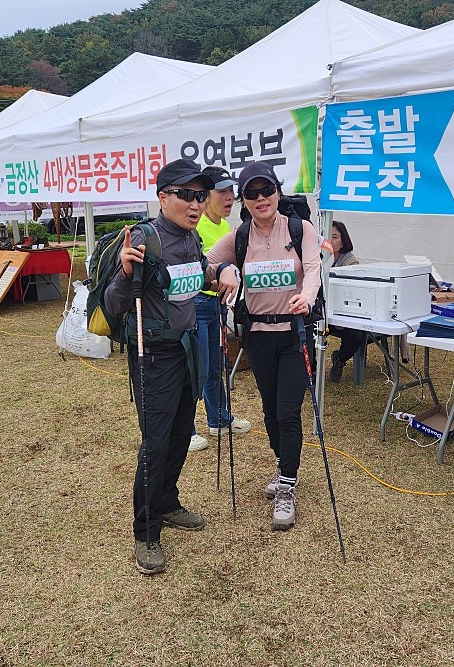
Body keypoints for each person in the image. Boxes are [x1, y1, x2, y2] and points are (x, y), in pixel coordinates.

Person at [103, 158, 214, 575]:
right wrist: (124, 273)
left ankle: (167, 502)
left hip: (188, 349)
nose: (195, 204)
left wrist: (220, 271)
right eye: (186, 194)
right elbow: (114, 302)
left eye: (200, 196)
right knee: (156, 443)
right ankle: (146, 531)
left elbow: (199, 274)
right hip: (154, 356)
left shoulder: (191, 238)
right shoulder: (144, 238)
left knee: (183, 433)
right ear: (163, 197)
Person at [207, 161, 322, 531]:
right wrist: (222, 271)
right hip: (257, 336)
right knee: (270, 412)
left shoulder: (299, 229)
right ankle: (284, 465)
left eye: (266, 190)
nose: (261, 198)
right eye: (251, 193)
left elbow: (314, 269)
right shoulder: (239, 237)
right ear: (243, 199)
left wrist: (306, 297)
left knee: (288, 412)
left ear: (277, 191)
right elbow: (204, 264)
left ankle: (287, 485)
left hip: (294, 335)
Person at [189, 166, 251, 452]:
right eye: (221, 191)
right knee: (195, 369)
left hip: (216, 305)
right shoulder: (194, 225)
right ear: (205, 195)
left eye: (230, 191)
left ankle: (219, 420)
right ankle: (186, 430)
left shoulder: (225, 227)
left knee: (215, 366)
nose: (229, 197)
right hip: (195, 305)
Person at [327, 220, 366, 382]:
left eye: (334, 237)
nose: (329, 240)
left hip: (346, 312)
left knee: (355, 335)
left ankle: (340, 360)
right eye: (326, 236)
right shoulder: (317, 257)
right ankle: (312, 369)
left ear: (343, 241)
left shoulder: (351, 262)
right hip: (324, 311)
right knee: (308, 328)